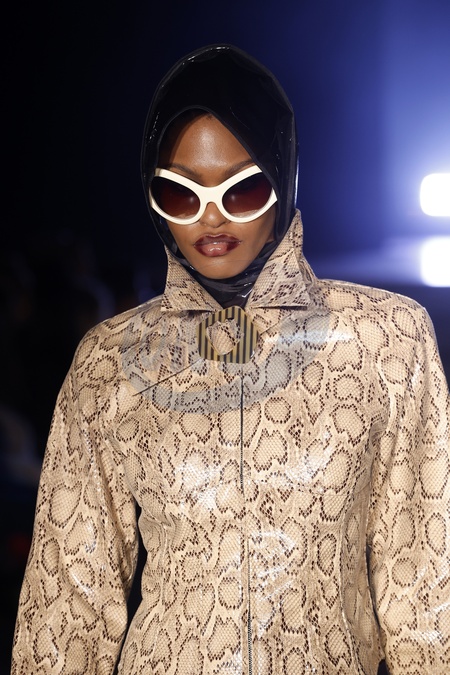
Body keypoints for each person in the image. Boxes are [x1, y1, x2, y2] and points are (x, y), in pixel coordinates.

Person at [11, 44, 450, 675]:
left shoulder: (385, 340)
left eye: (242, 190)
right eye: (180, 193)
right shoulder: (110, 361)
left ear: (284, 178)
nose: (211, 216)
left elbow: (425, 593)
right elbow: (68, 607)